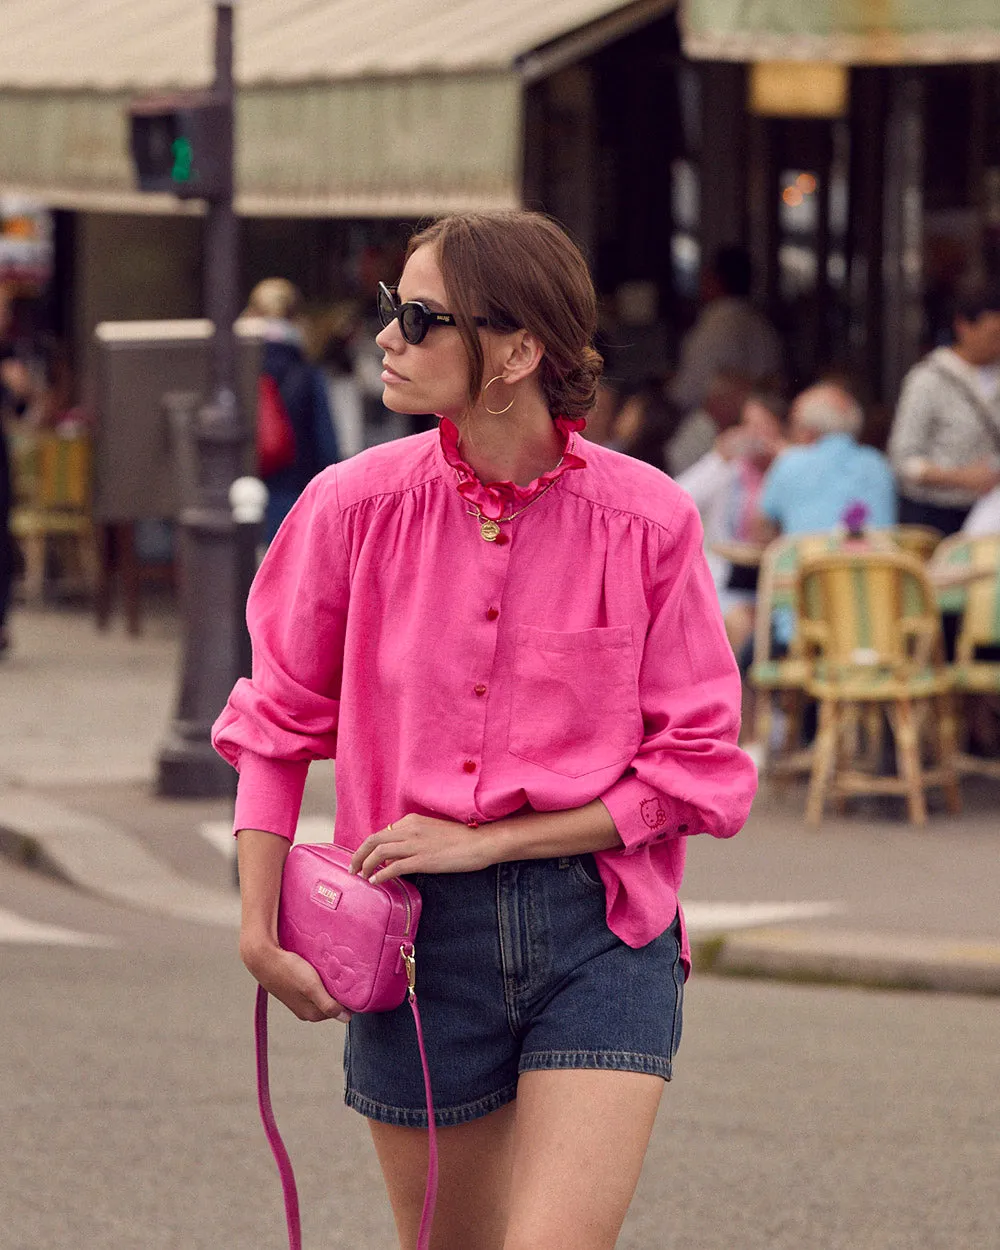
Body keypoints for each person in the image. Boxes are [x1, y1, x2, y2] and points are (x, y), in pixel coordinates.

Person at [212, 211, 756, 1250]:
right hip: (412, 936)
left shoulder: (648, 520)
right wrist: (254, 923)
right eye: (390, 311)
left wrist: (495, 836)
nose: (387, 338)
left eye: (420, 318)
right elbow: (275, 723)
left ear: (516, 350)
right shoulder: (347, 509)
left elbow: (698, 768)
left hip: (601, 931)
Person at [889, 278, 1000, 536]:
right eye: (993, 336)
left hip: (989, 512)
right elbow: (902, 459)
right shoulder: (927, 380)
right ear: (964, 326)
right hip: (933, 514)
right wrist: (961, 478)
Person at [667, 245, 783, 475]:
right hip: (761, 429)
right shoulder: (763, 327)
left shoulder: (715, 327)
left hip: (717, 432)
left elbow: (688, 391)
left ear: (714, 280)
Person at [244, 278, 340, 541]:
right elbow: (326, 443)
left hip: (241, 491)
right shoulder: (308, 372)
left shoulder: (234, 369)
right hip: (294, 493)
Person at [755, 382, 897, 543]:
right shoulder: (878, 463)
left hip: (810, 566)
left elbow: (762, 529)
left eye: (795, 426)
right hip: (876, 565)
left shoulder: (790, 462)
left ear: (808, 431)